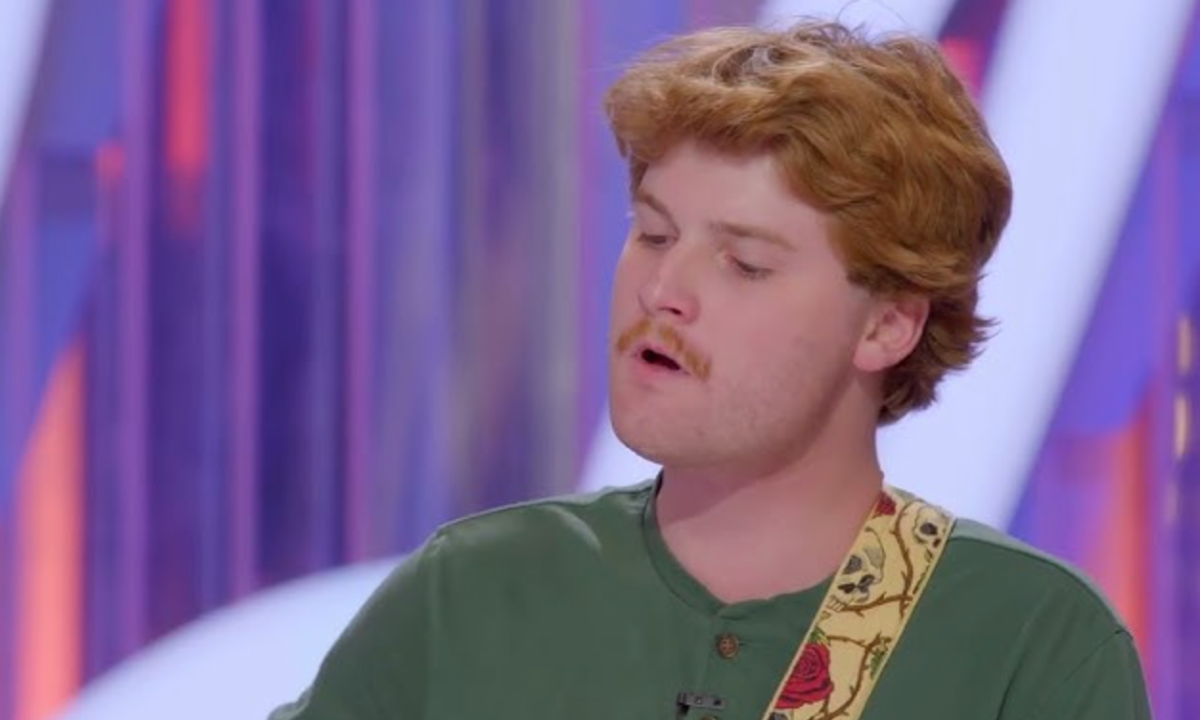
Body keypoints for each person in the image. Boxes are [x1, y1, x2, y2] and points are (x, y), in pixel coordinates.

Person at [271, 19, 1152, 720]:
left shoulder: (1034, 646)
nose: (661, 291)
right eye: (654, 234)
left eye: (745, 264)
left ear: (887, 324)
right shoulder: (472, 592)